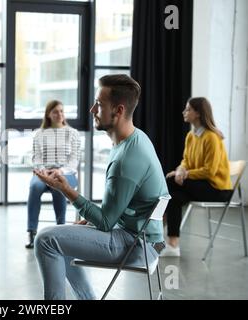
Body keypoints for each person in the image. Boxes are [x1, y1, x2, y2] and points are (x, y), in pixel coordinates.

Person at [33, 74, 169, 300]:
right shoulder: (136, 139)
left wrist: (65, 189)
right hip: (142, 237)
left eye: (99, 104)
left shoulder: (127, 159)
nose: (92, 109)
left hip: (136, 246)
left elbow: (106, 222)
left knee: (46, 239)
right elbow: (114, 212)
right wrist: (89, 219)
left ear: (119, 110)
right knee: (61, 239)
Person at [161, 97, 232, 257]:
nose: (184, 112)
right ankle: (173, 245)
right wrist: (181, 169)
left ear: (198, 113)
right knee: (174, 197)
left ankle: (155, 230)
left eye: (188, 109)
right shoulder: (191, 136)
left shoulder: (212, 137)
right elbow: (186, 161)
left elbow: (209, 171)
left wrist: (182, 174)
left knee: (170, 181)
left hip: (217, 189)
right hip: (199, 185)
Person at [25, 100, 80, 249]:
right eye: (55, 111)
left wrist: (60, 171)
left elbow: (74, 160)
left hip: (65, 173)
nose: (59, 114)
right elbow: (36, 157)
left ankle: (60, 229)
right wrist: (43, 170)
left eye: (61, 111)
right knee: (35, 187)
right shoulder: (39, 134)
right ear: (48, 114)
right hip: (44, 173)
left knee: (59, 186)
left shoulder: (72, 133)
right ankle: (32, 232)